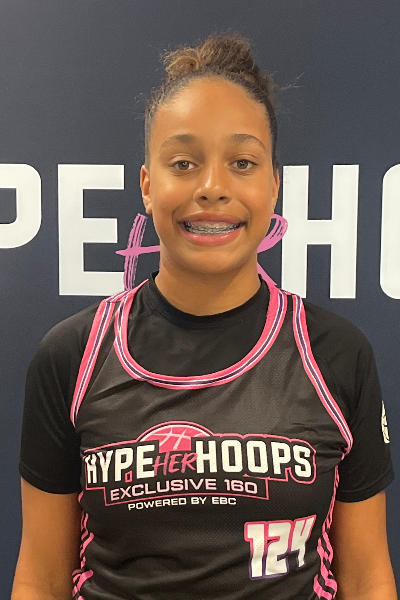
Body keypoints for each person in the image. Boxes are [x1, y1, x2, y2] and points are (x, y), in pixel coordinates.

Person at [12, 33, 397, 600]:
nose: (213, 188)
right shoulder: (71, 356)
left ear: (273, 186)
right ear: (148, 186)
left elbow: (366, 576)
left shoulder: (335, 354)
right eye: (184, 163)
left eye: (242, 163)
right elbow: (41, 577)